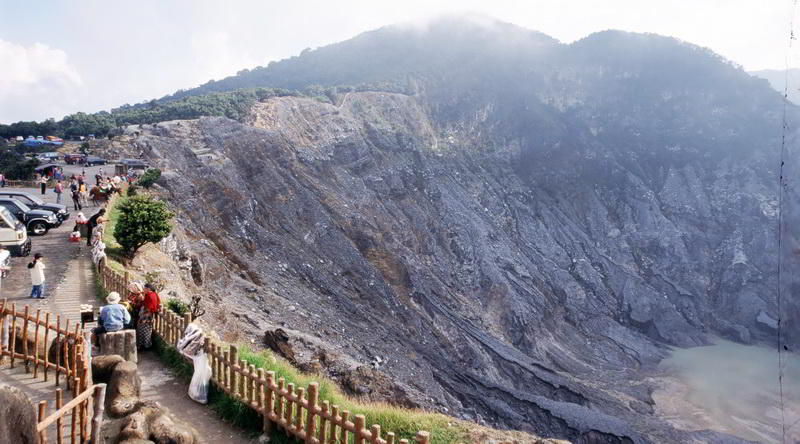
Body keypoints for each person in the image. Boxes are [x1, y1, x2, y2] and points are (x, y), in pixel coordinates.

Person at [137, 283, 161, 349]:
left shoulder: (149, 295)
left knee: (142, 329)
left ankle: (143, 345)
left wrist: (143, 315)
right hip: (149, 314)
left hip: (147, 314)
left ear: (148, 289)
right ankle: (146, 345)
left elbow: (149, 306)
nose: (143, 289)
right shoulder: (154, 294)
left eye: (144, 288)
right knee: (147, 329)